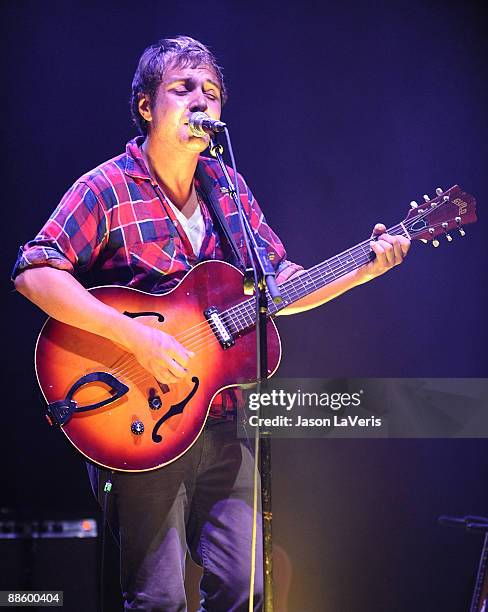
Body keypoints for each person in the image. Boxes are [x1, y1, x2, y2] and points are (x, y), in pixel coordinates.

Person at [12, 36, 410, 611]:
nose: (202, 102)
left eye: (213, 93)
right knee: (159, 600)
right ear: (147, 105)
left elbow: (279, 287)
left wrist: (364, 269)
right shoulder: (107, 188)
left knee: (247, 586)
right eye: (184, 88)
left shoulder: (228, 189)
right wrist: (137, 337)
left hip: (223, 421)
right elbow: (33, 272)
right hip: (140, 423)